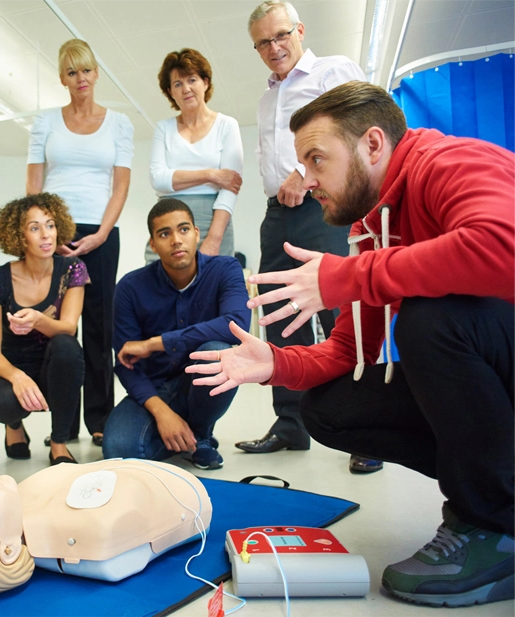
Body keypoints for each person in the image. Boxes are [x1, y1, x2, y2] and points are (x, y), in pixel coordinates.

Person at [187, 81, 514, 607]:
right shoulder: (371, 226)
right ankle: (494, 490)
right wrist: (274, 362)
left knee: (431, 320)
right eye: (302, 165)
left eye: (317, 160)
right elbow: (346, 352)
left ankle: (498, 522)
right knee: (331, 408)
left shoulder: (449, 162)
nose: (307, 180)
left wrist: (355, 276)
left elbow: (504, 247)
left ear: (373, 144)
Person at [240, 1, 381, 474]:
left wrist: (305, 173)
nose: (274, 47)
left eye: (281, 35)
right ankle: (290, 422)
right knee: (279, 310)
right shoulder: (265, 99)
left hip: (327, 206)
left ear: (299, 30)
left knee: (347, 308)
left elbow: (359, 129)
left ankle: (369, 431)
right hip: (277, 211)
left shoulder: (331, 71)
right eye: (263, 42)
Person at [26, 38, 134, 448]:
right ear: (62, 78)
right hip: (55, 232)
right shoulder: (45, 122)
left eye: (86, 70)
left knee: (99, 328)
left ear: (96, 72)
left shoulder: (119, 123)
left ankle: (101, 418)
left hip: (101, 232)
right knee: (60, 330)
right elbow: (34, 183)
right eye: (72, 72)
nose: (81, 78)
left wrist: (102, 234)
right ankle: (64, 425)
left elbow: (120, 186)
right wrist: (40, 232)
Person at [103, 199, 250, 470]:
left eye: (183, 230)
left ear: (196, 232)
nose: (176, 240)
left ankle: (201, 431)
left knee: (218, 351)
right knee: (119, 451)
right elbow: (126, 362)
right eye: (164, 234)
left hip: (200, 382)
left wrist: (156, 344)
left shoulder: (225, 270)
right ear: (152, 244)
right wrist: (161, 413)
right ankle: (187, 436)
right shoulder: (129, 288)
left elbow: (237, 324)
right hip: (155, 388)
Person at [0, 193, 88, 466]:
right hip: (11, 367)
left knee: (67, 346)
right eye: (34, 227)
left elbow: (68, 328)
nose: (46, 235)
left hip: (53, 367)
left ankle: (59, 442)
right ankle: (14, 426)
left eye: (50, 225)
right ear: (19, 236)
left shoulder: (72, 269)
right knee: (4, 404)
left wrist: (38, 320)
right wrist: (16, 377)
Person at [147, 48, 243, 262]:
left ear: (205, 82)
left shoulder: (227, 125)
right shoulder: (163, 128)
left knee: (212, 289)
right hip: (167, 218)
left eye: (192, 80)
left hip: (214, 220)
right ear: (170, 92)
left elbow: (230, 186)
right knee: (161, 288)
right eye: (177, 84)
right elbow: (158, 179)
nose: (186, 89)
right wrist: (210, 175)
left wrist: (214, 238)